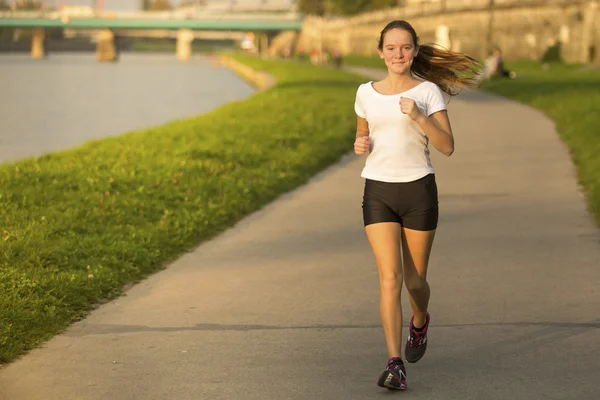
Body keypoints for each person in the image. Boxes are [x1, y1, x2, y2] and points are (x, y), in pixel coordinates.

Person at [353, 20, 481, 391]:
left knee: (414, 281)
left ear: (414, 51)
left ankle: (420, 319)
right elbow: (363, 133)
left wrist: (419, 116)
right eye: (391, 48)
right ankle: (395, 364)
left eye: (405, 47)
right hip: (377, 190)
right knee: (389, 278)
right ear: (380, 52)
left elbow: (447, 146)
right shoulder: (365, 93)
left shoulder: (428, 93)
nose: (398, 54)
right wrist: (360, 143)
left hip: (418, 192)